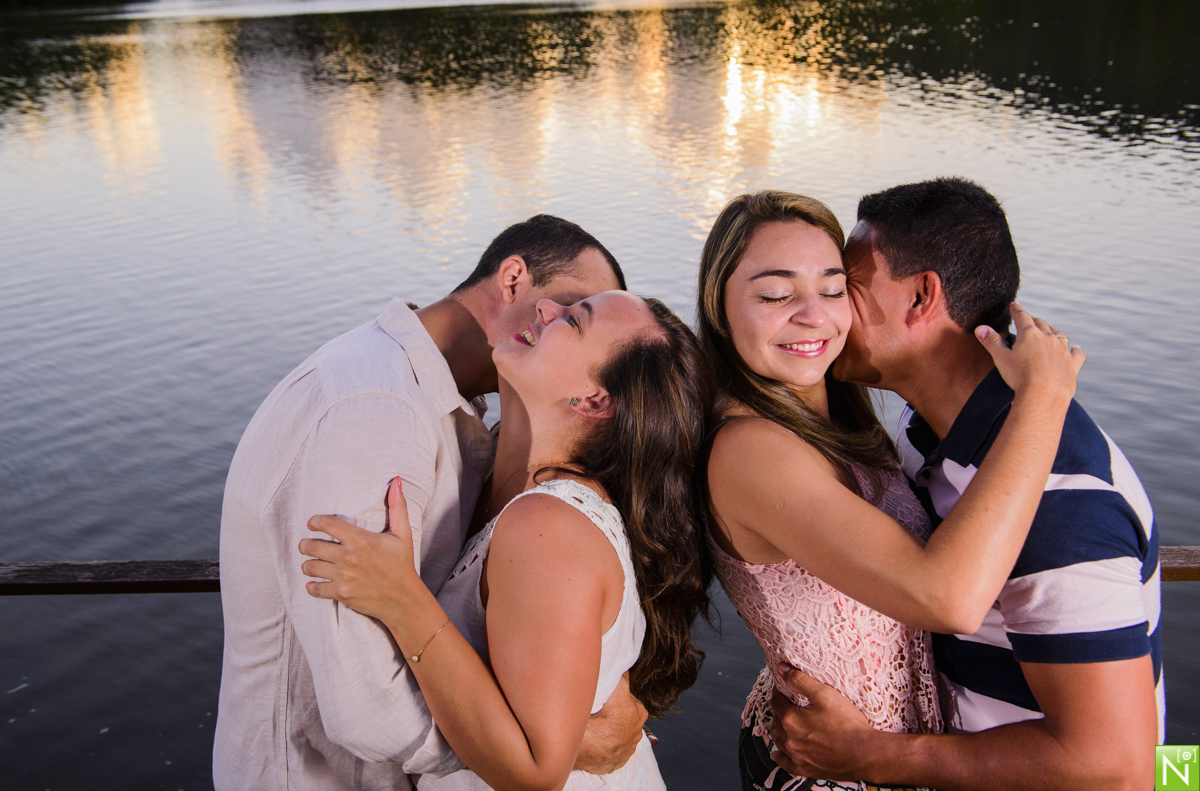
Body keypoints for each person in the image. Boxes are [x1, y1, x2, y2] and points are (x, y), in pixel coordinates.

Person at [214, 215, 648, 790]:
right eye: (569, 305)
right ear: (514, 280)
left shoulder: (452, 414)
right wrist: (565, 739)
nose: (551, 321)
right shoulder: (374, 409)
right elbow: (371, 709)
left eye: (576, 322)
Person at [767, 177, 1162, 790]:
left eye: (848, 288)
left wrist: (865, 755)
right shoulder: (926, 424)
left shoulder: (1061, 497)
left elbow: (1118, 764)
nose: (830, 312)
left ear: (923, 297)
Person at [694, 190, 1086, 791]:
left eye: (833, 290)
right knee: (1174, 772)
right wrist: (1045, 399)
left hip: (875, 758)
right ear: (720, 309)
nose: (814, 316)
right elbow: (949, 599)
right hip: (834, 772)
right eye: (775, 294)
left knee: (1176, 771)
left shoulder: (842, 420)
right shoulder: (750, 450)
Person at [298, 291, 713, 790]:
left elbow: (537, 771)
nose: (545, 308)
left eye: (574, 320)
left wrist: (402, 598)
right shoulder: (497, 479)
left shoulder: (550, 526)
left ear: (594, 400)